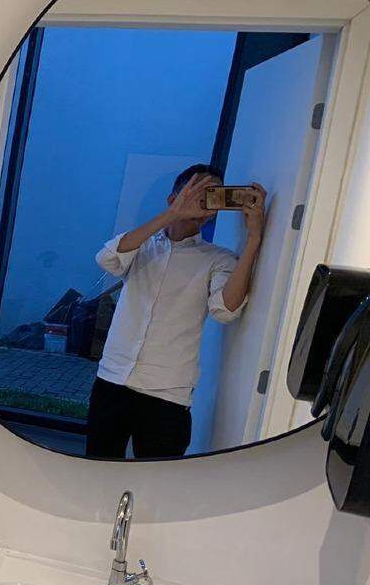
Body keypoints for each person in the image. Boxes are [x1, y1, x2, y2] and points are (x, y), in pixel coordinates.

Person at [85, 164, 266, 459]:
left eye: (212, 195)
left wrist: (254, 239)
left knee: (159, 481)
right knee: (97, 471)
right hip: (112, 381)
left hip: (167, 395)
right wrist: (172, 215)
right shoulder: (142, 245)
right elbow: (107, 259)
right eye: (196, 192)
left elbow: (225, 310)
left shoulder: (217, 259)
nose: (203, 201)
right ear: (174, 199)